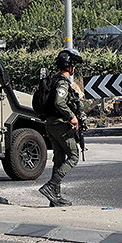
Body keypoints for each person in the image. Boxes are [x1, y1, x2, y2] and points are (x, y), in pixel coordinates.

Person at [38, 49, 84, 207]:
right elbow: (59, 102)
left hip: (50, 124)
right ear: (70, 67)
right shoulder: (62, 83)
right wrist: (72, 116)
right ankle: (51, 186)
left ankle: (55, 197)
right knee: (73, 156)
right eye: (74, 66)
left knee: (59, 159)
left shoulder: (53, 81)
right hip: (59, 124)